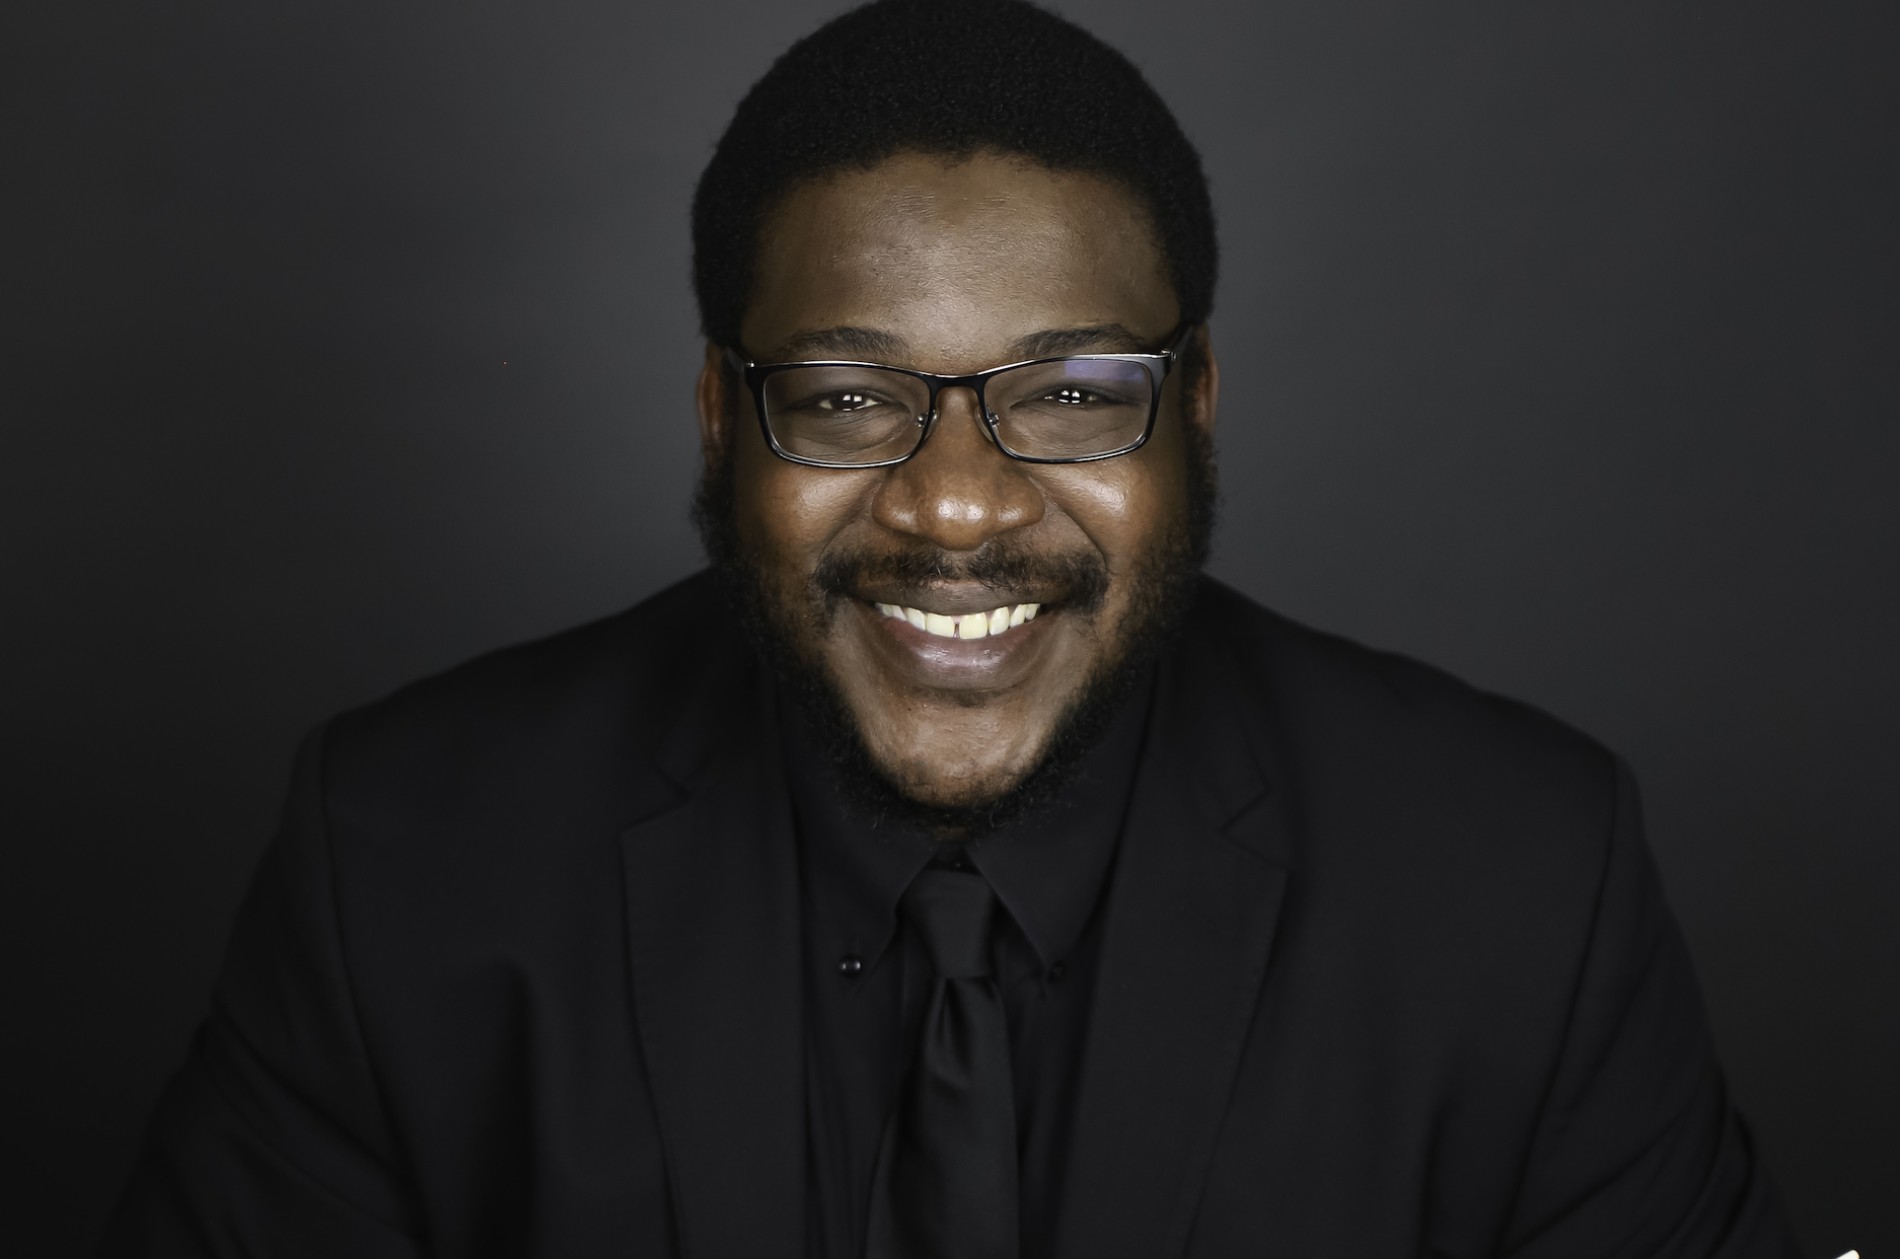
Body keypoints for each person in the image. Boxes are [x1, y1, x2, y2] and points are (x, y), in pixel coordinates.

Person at [100, 1, 1802, 1255]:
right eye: (848, 397)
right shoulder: (399, 860)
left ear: (1196, 408)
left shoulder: (1520, 881)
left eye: (1071, 391)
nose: (960, 504)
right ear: (719, 416)